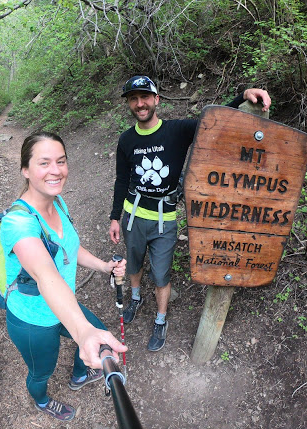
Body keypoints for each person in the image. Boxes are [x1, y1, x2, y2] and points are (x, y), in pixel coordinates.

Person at [109, 75, 271, 352]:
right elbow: (122, 180)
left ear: (156, 99)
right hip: (133, 214)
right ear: (129, 105)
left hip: (165, 217)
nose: (140, 104)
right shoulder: (126, 140)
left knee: (161, 274)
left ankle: (161, 319)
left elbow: (213, 122)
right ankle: (135, 297)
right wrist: (114, 217)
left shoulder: (177, 130)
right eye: (134, 99)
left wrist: (244, 95)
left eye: (145, 97)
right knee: (134, 263)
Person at [1, 132, 127, 422]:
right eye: (44, 163)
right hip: (33, 320)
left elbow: (71, 249)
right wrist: (82, 332)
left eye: (61, 161)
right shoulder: (18, 223)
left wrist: (104, 266)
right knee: (41, 371)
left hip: (64, 307)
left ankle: (80, 374)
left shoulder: (57, 203)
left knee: (99, 333)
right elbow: (46, 276)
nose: (55, 170)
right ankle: (42, 400)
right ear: (26, 170)